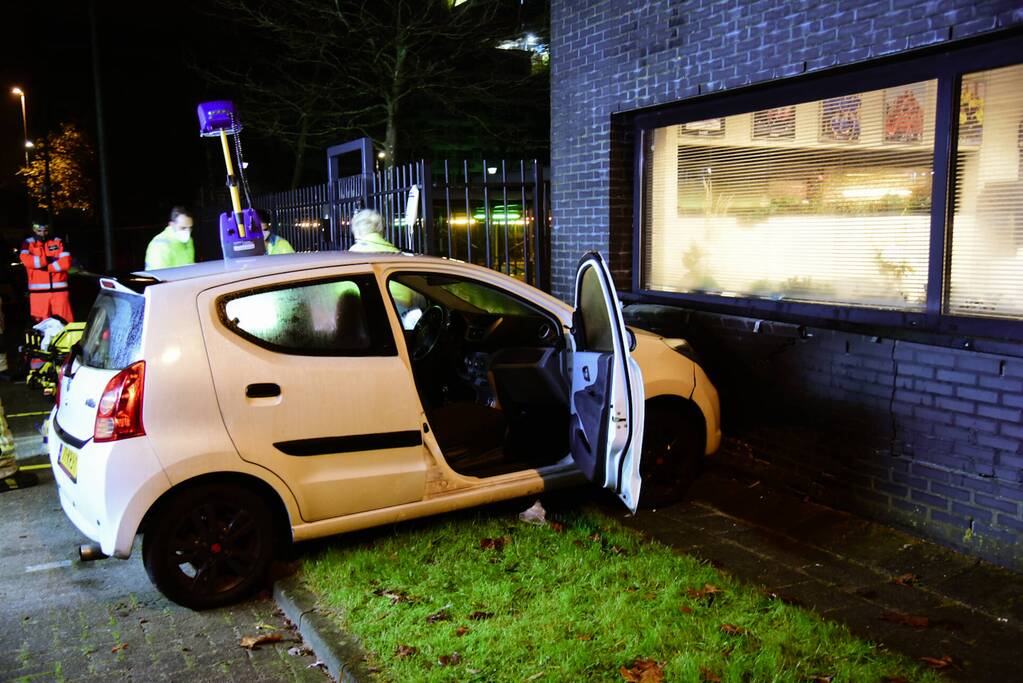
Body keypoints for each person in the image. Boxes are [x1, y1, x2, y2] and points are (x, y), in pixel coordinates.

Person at [20, 222, 73, 323]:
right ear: (34, 230)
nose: (43, 233)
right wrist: (50, 261)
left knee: (65, 324)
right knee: (40, 326)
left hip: (60, 292)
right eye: (39, 231)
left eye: (45, 230)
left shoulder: (58, 242)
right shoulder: (28, 243)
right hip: (38, 295)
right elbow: (27, 261)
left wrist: (44, 266)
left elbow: (66, 263)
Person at [145, 206, 196, 270]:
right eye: (183, 228)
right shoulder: (160, 245)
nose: (188, 232)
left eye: (190, 227)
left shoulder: (189, 240)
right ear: (171, 224)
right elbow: (160, 275)